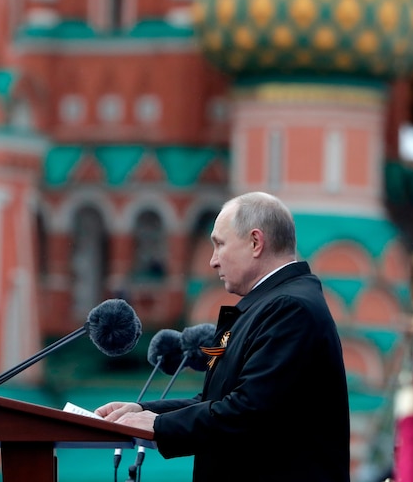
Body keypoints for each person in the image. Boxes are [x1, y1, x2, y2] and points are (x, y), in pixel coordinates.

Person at [96, 191, 350, 481]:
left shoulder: (290, 308)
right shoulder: (268, 305)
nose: (213, 261)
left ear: (256, 242)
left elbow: (248, 412)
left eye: (219, 245)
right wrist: (142, 411)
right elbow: (216, 400)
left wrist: (159, 425)